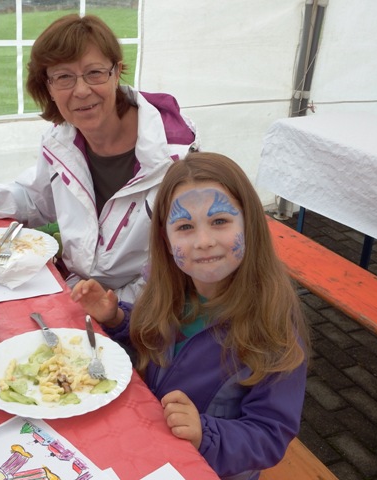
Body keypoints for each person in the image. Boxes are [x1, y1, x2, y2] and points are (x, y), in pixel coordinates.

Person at [0, 14, 198, 302]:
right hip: (78, 293)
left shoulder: (175, 158)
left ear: (116, 73)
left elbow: (187, 260)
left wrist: (115, 308)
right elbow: (35, 199)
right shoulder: (61, 141)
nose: (81, 90)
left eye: (94, 73)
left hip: (148, 306)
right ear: (48, 88)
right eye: (64, 77)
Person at [71, 152, 309, 480]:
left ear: (250, 224)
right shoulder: (167, 291)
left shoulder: (273, 323)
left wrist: (204, 433)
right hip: (149, 443)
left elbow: (270, 435)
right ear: (166, 240)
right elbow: (151, 341)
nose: (204, 242)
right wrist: (117, 319)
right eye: (185, 227)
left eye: (220, 221)